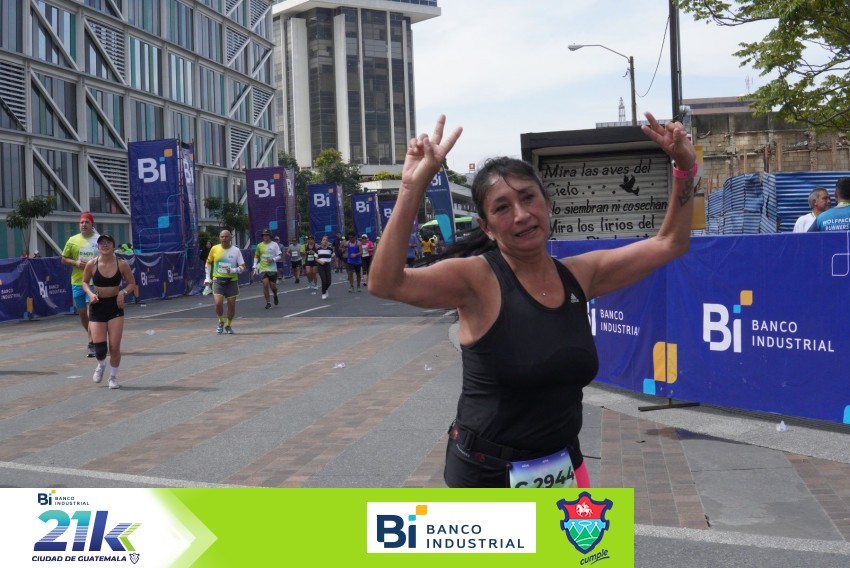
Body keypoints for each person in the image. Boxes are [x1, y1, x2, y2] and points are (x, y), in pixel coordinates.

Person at [369, 114, 697, 489]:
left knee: (588, 533)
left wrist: (684, 167)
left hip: (562, 468)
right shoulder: (476, 280)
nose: (522, 215)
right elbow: (386, 283)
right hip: (487, 476)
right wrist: (411, 187)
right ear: (486, 227)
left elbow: (670, 243)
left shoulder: (579, 275)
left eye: (528, 198)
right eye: (502, 208)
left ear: (547, 203)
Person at [81, 234, 135, 389]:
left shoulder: (121, 264)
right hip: (97, 305)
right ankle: (101, 364)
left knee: (114, 347)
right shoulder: (92, 264)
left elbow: (131, 283)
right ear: (98, 247)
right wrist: (90, 294)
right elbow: (84, 282)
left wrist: (122, 292)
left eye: (108, 242)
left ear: (113, 245)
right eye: (102, 243)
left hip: (114, 306)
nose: (105, 245)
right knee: (100, 349)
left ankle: (113, 377)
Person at [61, 212, 100, 357]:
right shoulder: (73, 240)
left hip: (94, 282)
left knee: (91, 313)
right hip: (77, 281)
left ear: (92, 224)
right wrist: (75, 262)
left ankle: (92, 343)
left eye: (87, 222)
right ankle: (97, 337)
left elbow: (107, 257)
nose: (84, 225)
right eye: (82, 222)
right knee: (83, 315)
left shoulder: (99, 240)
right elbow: (64, 259)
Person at [204, 229, 246, 334]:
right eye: (222, 237)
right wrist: (207, 277)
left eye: (226, 237)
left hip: (231, 281)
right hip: (218, 280)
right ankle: (221, 321)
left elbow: (243, 267)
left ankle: (228, 325)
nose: (224, 239)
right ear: (219, 238)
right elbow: (208, 263)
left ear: (230, 238)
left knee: (231, 305)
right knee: (218, 303)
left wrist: (234, 270)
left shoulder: (236, 250)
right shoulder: (214, 248)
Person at [254, 229, 282, 309]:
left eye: (267, 235)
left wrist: (273, 259)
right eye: (264, 235)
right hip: (263, 268)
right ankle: (268, 302)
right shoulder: (259, 245)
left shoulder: (274, 245)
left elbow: (280, 255)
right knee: (265, 284)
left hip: (272, 269)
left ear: (270, 236)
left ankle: (275, 294)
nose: (265, 237)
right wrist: (254, 265)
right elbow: (256, 256)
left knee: (273, 287)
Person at [316, 235, 334, 300]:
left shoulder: (330, 249)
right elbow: (316, 258)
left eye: (326, 240)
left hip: (327, 265)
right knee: (324, 280)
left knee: (329, 281)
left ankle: (325, 289)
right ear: (321, 241)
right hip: (321, 266)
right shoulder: (318, 249)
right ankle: (323, 293)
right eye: (324, 240)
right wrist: (320, 261)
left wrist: (330, 260)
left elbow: (333, 256)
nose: (325, 241)